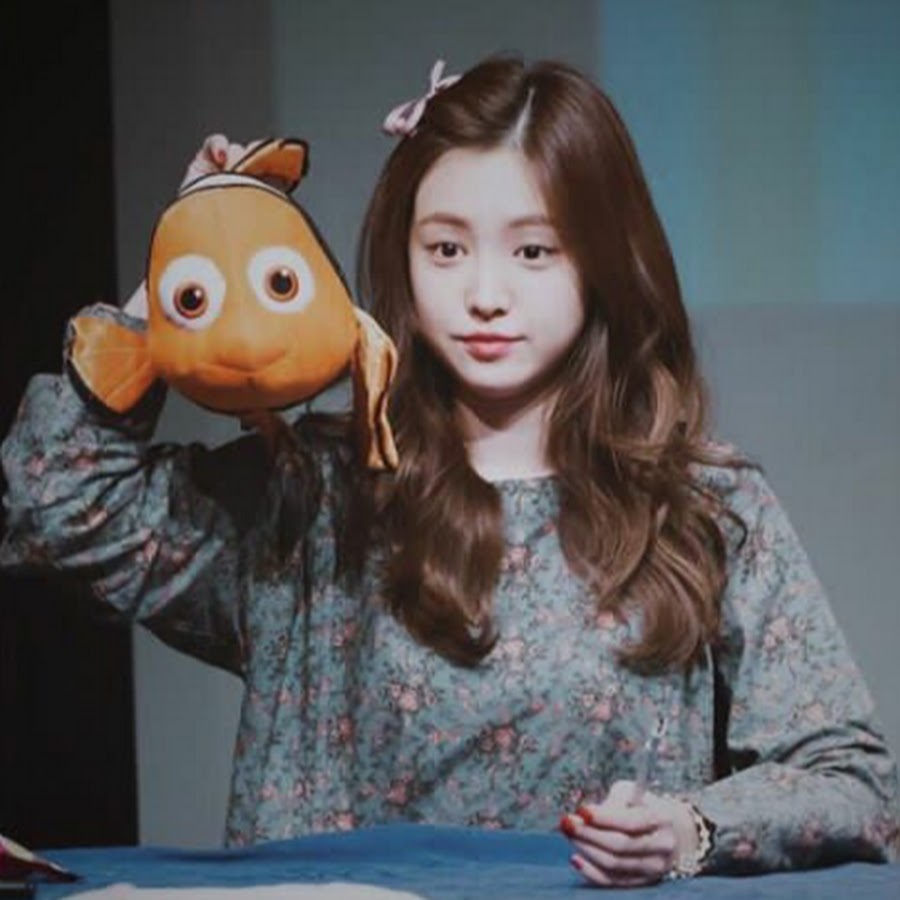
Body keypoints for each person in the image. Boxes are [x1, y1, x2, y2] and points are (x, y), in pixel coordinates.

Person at [1, 56, 897, 887]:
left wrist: (690, 828)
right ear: (404, 256)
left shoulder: (700, 508)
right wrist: (189, 258)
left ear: (603, 260)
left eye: (534, 250)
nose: (485, 295)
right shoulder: (316, 492)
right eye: (446, 248)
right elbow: (58, 501)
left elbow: (852, 780)